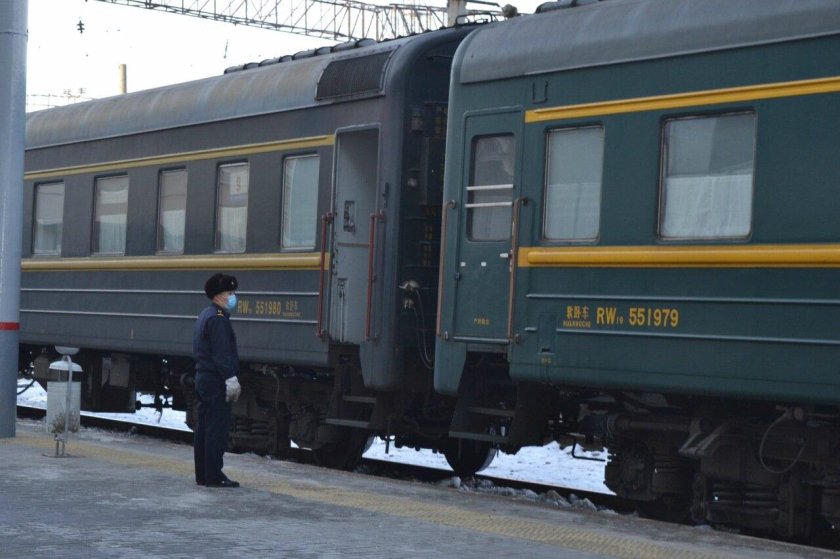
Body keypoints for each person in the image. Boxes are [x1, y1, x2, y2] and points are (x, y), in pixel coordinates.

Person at [192, 272, 242, 488]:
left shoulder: (205, 314)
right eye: (229, 293)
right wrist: (231, 378)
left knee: (203, 428)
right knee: (216, 429)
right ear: (218, 296)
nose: (233, 297)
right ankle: (214, 476)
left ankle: (203, 474)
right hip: (215, 380)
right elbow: (222, 355)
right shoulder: (219, 320)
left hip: (203, 378)